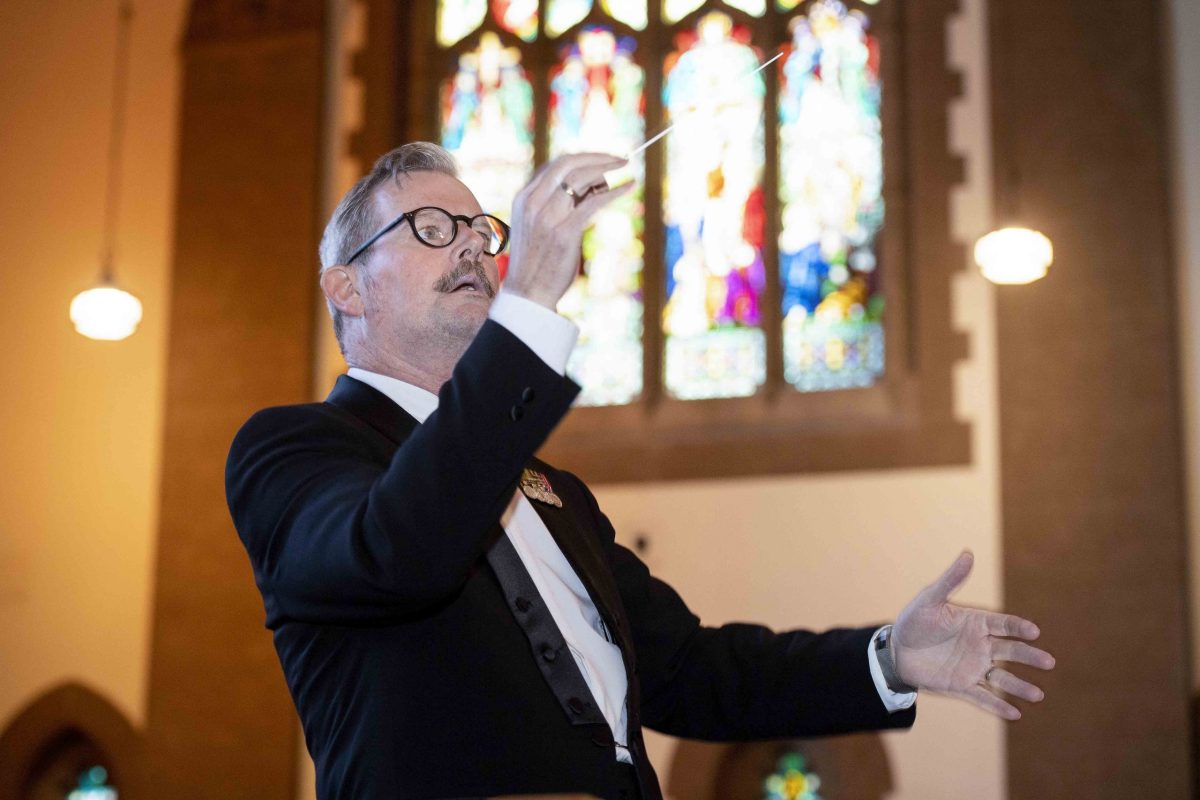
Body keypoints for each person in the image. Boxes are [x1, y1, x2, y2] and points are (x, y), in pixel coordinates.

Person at [225, 142, 1054, 800]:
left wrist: (887, 659)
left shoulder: (552, 493)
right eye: (434, 229)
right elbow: (397, 551)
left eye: (482, 229)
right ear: (349, 288)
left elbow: (689, 671)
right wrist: (530, 309)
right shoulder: (293, 448)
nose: (475, 247)